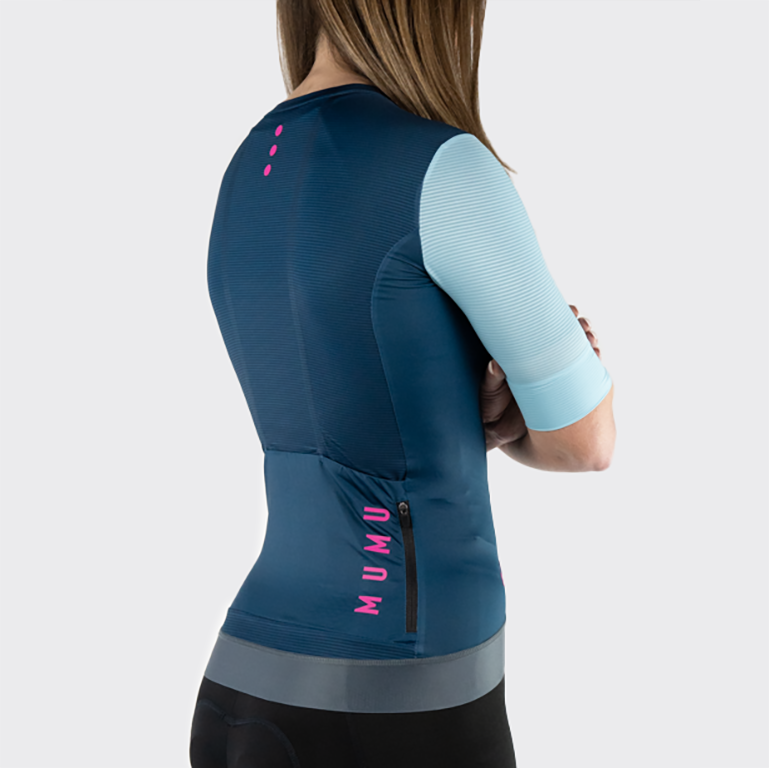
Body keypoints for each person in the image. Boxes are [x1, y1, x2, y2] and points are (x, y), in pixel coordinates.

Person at [189, 1, 616, 765]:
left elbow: (341, 406)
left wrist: (461, 412)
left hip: (241, 684)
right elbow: (586, 442)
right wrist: (525, 406)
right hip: (398, 695)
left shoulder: (249, 163)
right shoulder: (444, 166)